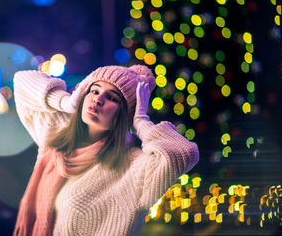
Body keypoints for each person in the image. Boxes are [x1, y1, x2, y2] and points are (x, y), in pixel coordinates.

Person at [13, 65, 199, 236]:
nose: (98, 99)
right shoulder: (57, 139)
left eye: (112, 98)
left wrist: (141, 121)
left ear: (124, 114)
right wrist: (66, 102)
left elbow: (183, 152)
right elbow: (22, 81)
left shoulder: (132, 167)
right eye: (94, 90)